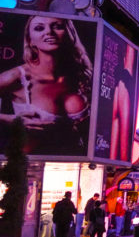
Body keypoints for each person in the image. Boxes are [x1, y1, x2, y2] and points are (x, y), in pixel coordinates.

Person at [0, 16, 93, 155]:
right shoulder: (16, 77)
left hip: (75, 165)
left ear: (69, 33)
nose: (49, 32)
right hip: (29, 165)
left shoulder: (82, 74)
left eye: (57, 26)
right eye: (39, 28)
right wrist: (10, 120)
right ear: (30, 40)